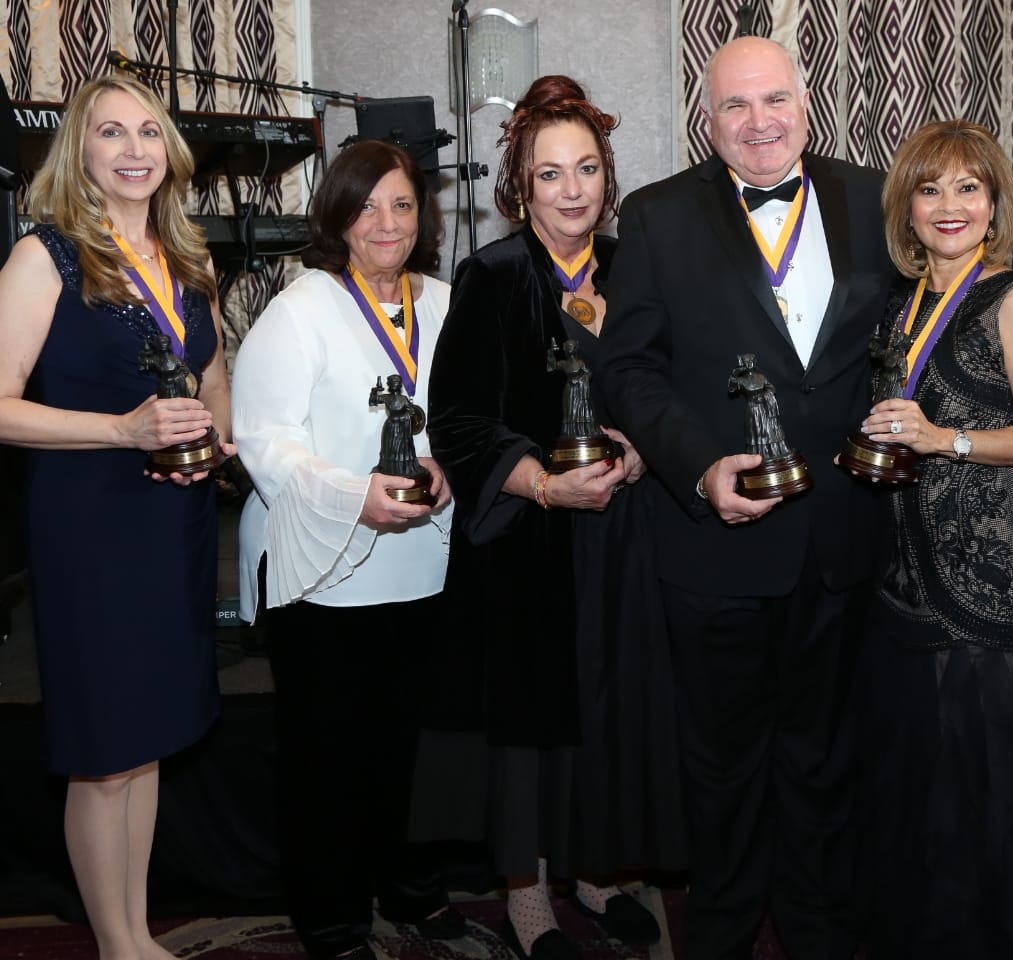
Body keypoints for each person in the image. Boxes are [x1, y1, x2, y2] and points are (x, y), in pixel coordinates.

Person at [600, 36, 897, 960]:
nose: (758, 123)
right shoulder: (654, 218)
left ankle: (819, 931)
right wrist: (698, 468)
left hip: (847, 535)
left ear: (806, 104)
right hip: (717, 541)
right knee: (722, 766)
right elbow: (628, 372)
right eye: (735, 106)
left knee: (827, 758)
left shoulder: (877, 197)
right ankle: (720, 935)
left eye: (774, 100)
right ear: (707, 117)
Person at [408, 75, 674, 960]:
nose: (572, 190)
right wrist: (546, 486)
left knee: (607, 710)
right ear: (519, 186)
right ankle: (527, 898)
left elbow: (669, 389)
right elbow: (459, 421)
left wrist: (643, 449)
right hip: (530, 537)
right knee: (530, 728)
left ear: (608, 177)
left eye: (587, 170)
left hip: (622, 537)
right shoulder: (491, 276)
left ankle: (596, 872)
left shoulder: (639, 268)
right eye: (550, 173)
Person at [0, 74, 230, 960]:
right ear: (80, 152)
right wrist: (123, 430)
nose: (133, 149)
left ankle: (135, 935)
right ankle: (117, 947)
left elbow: (212, 377)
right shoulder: (44, 256)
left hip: (173, 522)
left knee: (149, 743)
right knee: (105, 753)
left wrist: (219, 437)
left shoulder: (186, 258)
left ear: (167, 150)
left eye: (147, 132)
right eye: (110, 134)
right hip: (91, 528)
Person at [231, 140, 462, 960]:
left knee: (414, 748)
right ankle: (332, 921)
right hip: (325, 572)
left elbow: (471, 420)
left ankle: (412, 889)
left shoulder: (443, 301)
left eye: (402, 205)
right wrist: (349, 493)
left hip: (425, 563)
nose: (386, 223)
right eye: (366, 207)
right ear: (336, 216)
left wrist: (449, 465)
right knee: (329, 760)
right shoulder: (300, 309)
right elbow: (263, 440)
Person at [852, 119, 1013, 959]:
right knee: (919, 785)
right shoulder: (905, 304)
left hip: (985, 579)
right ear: (906, 207)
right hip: (905, 571)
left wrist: (945, 439)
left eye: (969, 187)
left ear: (995, 204)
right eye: (931, 188)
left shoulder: (1011, 299)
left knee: (980, 795)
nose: (950, 205)